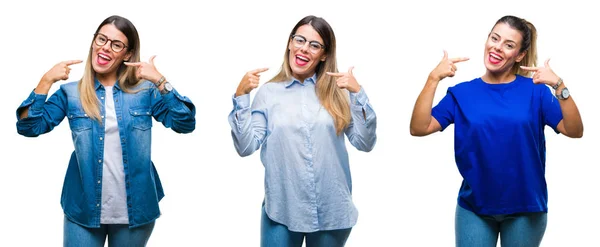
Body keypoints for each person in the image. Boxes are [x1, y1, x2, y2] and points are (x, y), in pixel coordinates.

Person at [15, 15, 196, 247]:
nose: (105, 48)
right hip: (83, 209)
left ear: (128, 54)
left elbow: (185, 123)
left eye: (116, 44)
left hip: (136, 209)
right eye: (101, 39)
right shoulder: (71, 94)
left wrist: (160, 81)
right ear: (93, 42)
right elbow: (29, 127)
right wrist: (46, 81)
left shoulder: (145, 92)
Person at [409, 15, 583, 246]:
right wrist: (433, 79)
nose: (497, 48)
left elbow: (574, 130)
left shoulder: (536, 92)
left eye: (508, 45)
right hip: (475, 207)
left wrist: (559, 85)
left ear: (519, 55)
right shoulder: (461, 93)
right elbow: (419, 127)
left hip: (526, 207)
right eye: (495, 38)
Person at [228, 15, 377, 247]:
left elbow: (365, 143)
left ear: (324, 54)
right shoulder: (268, 93)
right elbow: (245, 147)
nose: (304, 49)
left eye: (314, 45)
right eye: (300, 40)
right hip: (282, 210)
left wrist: (358, 94)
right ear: (290, 43)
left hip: (332, 210)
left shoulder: (340, 92)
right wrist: (241, 96)